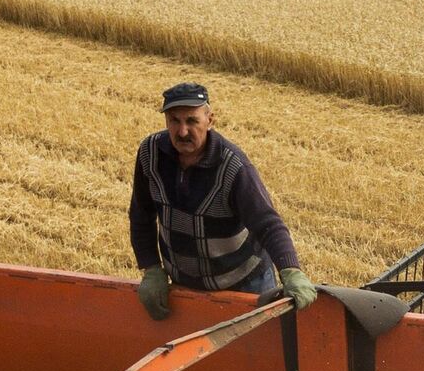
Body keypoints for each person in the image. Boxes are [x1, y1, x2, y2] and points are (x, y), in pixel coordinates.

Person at [129, 82, 317, 319]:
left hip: (244, 284)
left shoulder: (233, 167)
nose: (183, 131)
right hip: (183, 287)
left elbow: (267, 223)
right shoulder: (151, 153)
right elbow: (141, 214)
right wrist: (151, 267)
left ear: (210, 120)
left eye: (192, 121)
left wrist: (291, 270)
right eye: (174, 120)